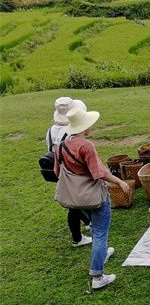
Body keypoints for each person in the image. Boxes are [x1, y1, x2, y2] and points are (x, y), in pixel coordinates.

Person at [54, 105, 130, 290]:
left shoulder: (60, 146)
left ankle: (101, 254)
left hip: (77, 197)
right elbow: (98, 172)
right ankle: (98, 276)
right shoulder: (86, 146)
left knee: (96, 230)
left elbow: (57, 172)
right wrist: (120, 182)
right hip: (95, 196)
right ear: (85, 127)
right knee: (100, 233)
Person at [47, 97, 92, 247]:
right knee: (74, 204)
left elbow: (49, 151)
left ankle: (86, 224)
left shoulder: (51, 130)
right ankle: (78, 237)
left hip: (59, 170)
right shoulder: (70, 133)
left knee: (73, 202)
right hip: (73, 172)